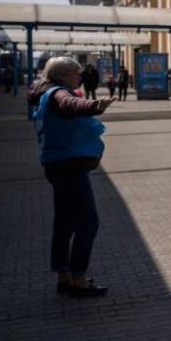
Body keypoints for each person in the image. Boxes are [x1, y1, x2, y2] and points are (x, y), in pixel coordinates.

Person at [27, 57, 115, 298]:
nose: (80, 77)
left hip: (57, 165)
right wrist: (96, 106)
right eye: (77, 74)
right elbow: (72, 105)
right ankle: (78, 280)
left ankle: (63, 275)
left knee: (64, 221)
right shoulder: (59, 94)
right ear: (64, 75)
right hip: (69, 167)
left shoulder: (47, 93)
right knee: (88, 222)